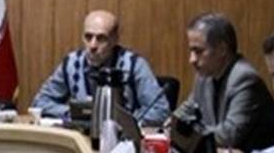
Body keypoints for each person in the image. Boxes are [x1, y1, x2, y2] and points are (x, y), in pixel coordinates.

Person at [30, 10, 170, 125]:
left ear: (115, 40)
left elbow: (160, 110)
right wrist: (73, 113)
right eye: (88, 37)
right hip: (81, 136)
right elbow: (40, 102)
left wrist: (122, 120)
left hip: (122, 139)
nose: (93, 45)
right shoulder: (71, 63)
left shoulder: (134, 65)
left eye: (101, 38)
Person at [173, 12, 274, 151]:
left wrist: (185, 134)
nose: (192, 59)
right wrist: (170, 126)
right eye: (191, 51)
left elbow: (229, 135)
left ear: (222, 49)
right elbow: (187, 109)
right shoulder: (204, 75)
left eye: (198, 51)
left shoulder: (245, 79)